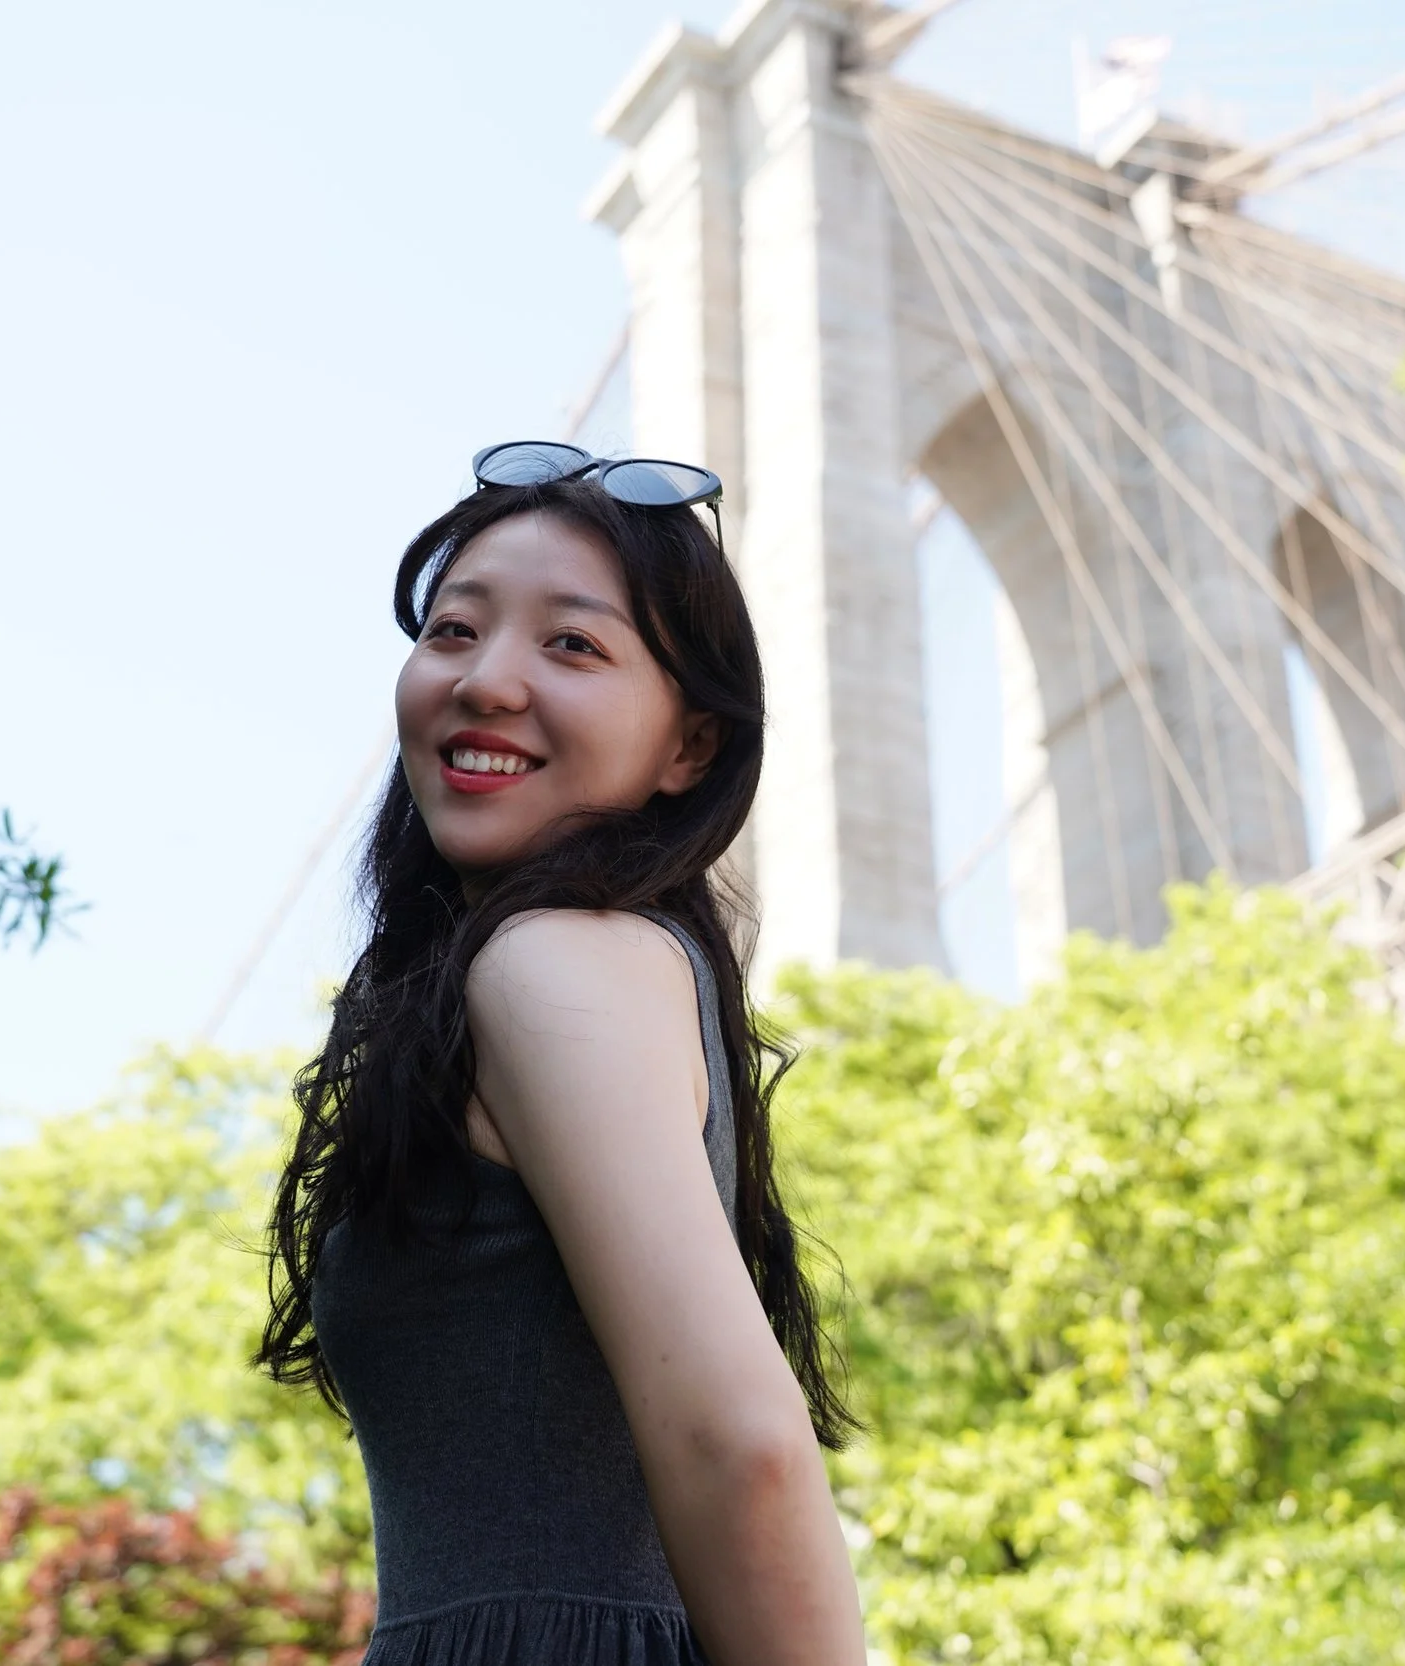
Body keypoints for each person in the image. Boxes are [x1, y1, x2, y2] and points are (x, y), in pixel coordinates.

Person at [255, 441, 868, 1666]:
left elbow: (738, 1444)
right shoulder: (613, 967)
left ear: (691, 746)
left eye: (572, 644)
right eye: (453, 630)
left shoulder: (553, 963)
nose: (486, 679)